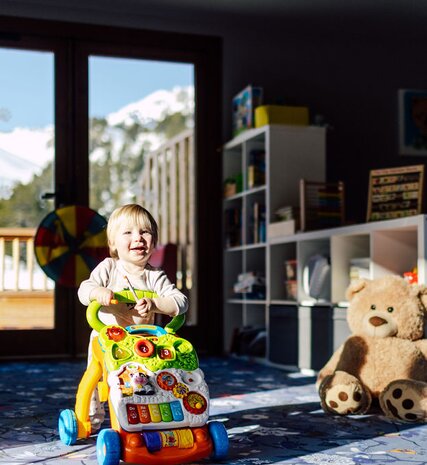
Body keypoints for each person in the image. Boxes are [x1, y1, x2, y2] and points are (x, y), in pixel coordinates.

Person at [78, 203, 188, 428]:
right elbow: (83, 290)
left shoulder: (155, 276)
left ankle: (148, 417)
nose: (138, 238)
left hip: (143, 342)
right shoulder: (109, 268)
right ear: (113, 243)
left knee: (148, 381)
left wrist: (156, 303)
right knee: (98, 377)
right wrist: (98, 292)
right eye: (127, 232)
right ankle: (90, 418)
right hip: (106, 340)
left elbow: (181, 301)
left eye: (145, 232)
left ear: (153, 241)